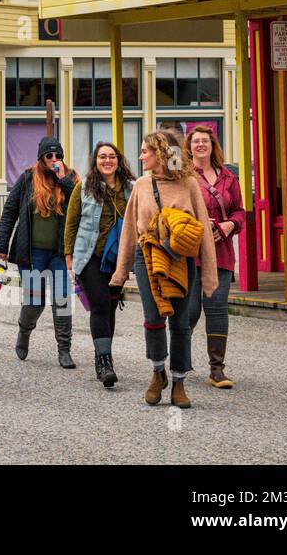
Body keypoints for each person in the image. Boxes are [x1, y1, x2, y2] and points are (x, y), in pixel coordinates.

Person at [110, 131, 217, 409]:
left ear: (160, 154)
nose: (141, 155)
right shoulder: (141, 186)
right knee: (153, 317)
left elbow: (203, 229)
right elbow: (129, 232)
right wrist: (120, 274)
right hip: (146, 258)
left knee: (181, 322)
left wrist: (209, 276)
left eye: (145, 151)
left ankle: (179, 381)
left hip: (180, 259)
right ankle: (158, 372)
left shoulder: (189, 184)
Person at [0, 136, 79, 367]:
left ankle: (64, 351)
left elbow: (79, 205)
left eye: (58, 156)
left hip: (60, 252)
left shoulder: (70, 178)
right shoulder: (27, 179)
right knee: (35, 301)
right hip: (32, 253)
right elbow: (10, 211)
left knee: (62, 300)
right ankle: (24, 331)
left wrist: (63, 180)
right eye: (49, 156)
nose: (54, 160)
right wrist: (2, 247)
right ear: (40, 158)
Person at [63, 141, 135, 388]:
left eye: (111, 157)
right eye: (102, 157)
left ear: (118, 160)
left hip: (118, 259)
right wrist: (69, 258)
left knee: (110, 307)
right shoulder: (83, 187)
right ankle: (104, 362)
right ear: (95, 161)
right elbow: (71, 223)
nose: (107, 161)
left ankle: (104, 356)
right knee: (100, 305)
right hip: (90, 257)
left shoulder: (131, 189)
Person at [185, 127, 244, 389]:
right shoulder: (183, 177)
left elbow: (240, 212)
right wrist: (197, 222)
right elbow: (172, 211)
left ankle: (217, 370)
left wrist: (229, 225)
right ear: (189, 147)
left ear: (212, 145)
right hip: (190, 253)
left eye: (204, 141)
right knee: (189, 311)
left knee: (218, 309)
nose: (200, 145)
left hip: (220, 254)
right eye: (196, 141)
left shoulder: (229, 178)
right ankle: (179, 363)